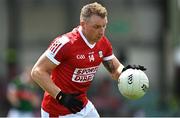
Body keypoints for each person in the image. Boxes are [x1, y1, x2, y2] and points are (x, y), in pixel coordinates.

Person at [31, 2, 146, 117]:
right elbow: (37, 71)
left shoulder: (103, 42)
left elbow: (115, 70)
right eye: (96, 27)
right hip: (58, 110)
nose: (101, 31)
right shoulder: (65, 43)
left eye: (104, 26)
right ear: (83, 24)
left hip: (83, 106)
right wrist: (61, 96)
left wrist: (127, 72)